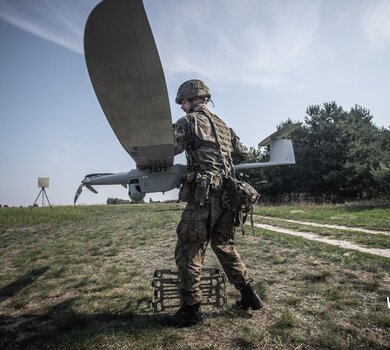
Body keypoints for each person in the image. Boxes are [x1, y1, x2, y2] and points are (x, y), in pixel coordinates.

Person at [162, 79, 263, 328]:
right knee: (224, 246)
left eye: (182, 103)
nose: (182, 107)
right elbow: (242, 153)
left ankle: (191, 310)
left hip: (204, 196)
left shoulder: (189, 121)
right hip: (228, 196)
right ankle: (250, 296)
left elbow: (169, 148)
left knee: (189, 249)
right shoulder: (224, 126)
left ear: (189, 99)